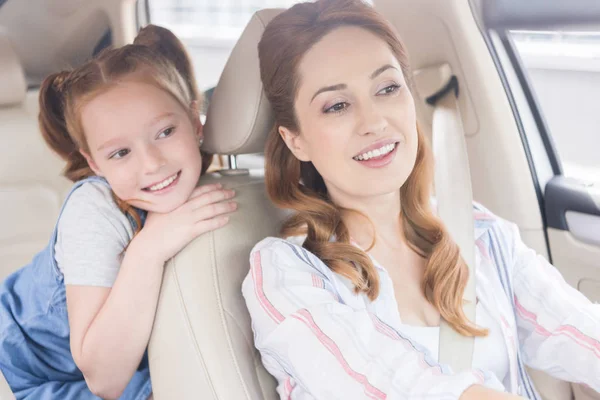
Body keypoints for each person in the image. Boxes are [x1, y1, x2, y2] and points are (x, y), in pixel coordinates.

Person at [241, 1, 600, 399]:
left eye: (388, 88)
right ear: (296, 140)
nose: (374, 122)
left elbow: (580, 333)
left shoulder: (481, 235)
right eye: (337, 105)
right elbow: (403, 388)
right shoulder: (286, 272)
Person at [0, 25, 237, 399]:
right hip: (20, 371)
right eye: (120, 153)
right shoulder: (95, 211)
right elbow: (104, 380)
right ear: (94, 163)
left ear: (195, 122)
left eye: (164, 132)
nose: (152, 164)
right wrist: (148, 249)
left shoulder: (213, 182)